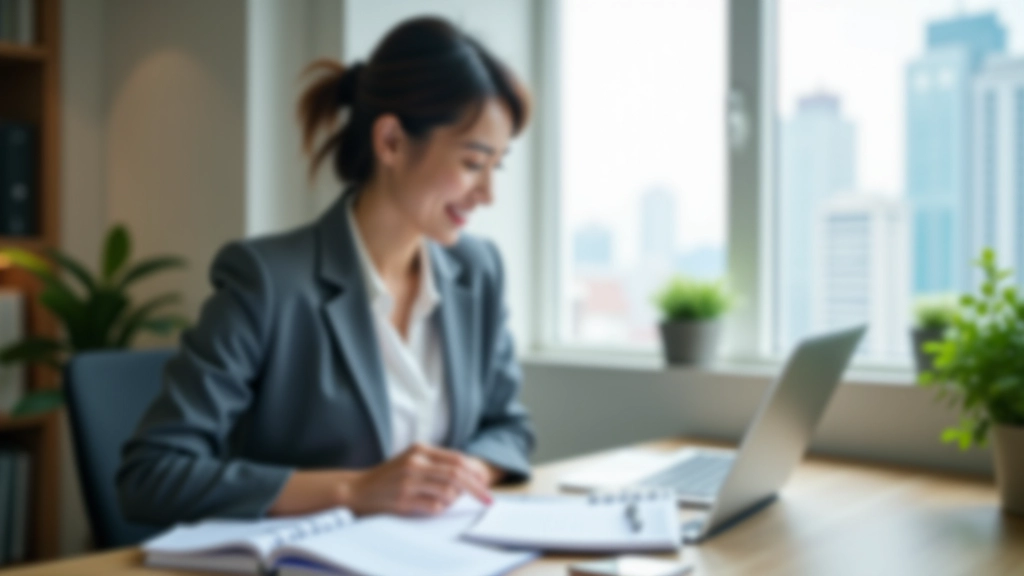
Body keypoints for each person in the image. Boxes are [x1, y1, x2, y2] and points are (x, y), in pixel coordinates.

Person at [117, 16, 535, 525]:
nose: (488, 194)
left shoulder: (479, 271)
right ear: (391, 143)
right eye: (473, 163)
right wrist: (354, 488)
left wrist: (459, 474)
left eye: (499, 166)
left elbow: (508, 428)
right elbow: (151, 476)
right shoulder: (267, 281)